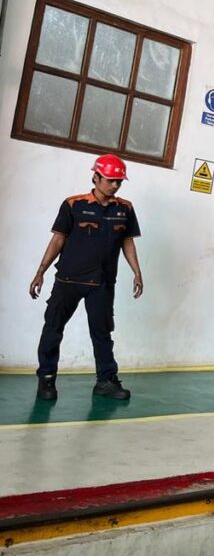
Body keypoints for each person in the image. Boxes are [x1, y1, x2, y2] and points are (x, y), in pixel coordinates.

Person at [29, 154, 143, 401]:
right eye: (110, 180)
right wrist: (40, 272)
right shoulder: (73, 205)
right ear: (96, 177)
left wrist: (137, 272)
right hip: (68, 281)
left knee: (102, 334)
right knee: (53, 329)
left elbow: (128, 242)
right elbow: (58, 239)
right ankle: (46, 379)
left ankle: (106, 381)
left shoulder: (125, 209)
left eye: (119, 181)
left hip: (102, 283)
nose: (115, 185)